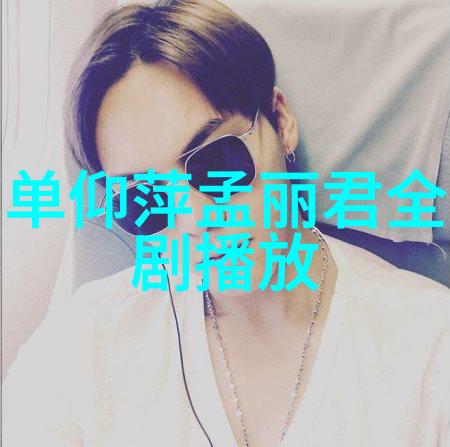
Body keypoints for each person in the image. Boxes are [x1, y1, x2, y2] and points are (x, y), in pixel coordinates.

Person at [3, 1, 450, 446]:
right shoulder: (83, 345)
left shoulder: (428, 348)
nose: (195, 218)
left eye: (217, 161)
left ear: (281, 121)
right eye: (144, 197)